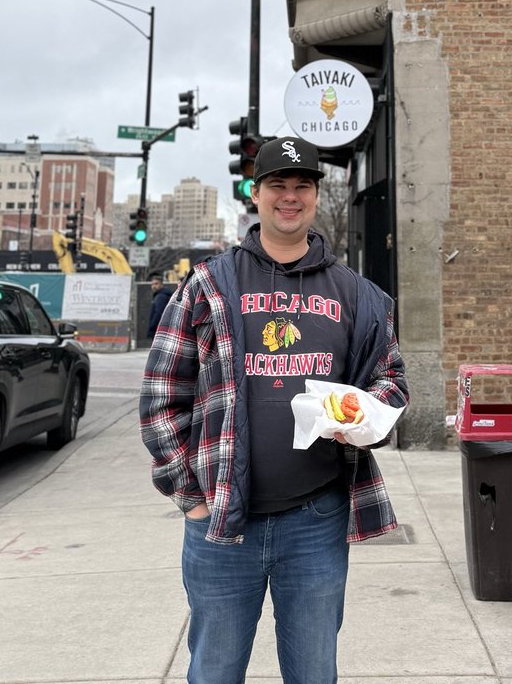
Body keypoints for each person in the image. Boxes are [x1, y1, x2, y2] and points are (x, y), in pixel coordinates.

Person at [140, 135, 408, 684]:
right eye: (277, 186)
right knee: (213, 671)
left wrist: (365, 416)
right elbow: (161, 396)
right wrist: (189, 497)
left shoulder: (357, 293)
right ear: (255, 194)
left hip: (316, 519)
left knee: (314, 673)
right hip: (220, 523)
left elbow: (391, 381)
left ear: (314, 195)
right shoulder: (208, 285)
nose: (290, 197)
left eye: (302, 186)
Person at [147, 274, 171, 338]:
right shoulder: (162, 295)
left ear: (161, 285)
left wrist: (152, 327)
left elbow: (158, 313)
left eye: (156, 284)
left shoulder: (161, 296)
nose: (153, 286)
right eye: (152, 284)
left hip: (158, 330)